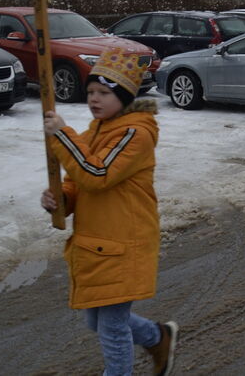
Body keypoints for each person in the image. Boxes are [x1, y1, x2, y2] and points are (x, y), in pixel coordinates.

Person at [40, 48, 177, 376]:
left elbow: (96, 174)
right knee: (96, 320)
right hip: (97, 243)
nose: (94, 99)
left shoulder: (136, 134)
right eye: (90, 92)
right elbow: (79, 181)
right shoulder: (95, 131)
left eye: (104, 92)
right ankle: (158, 337)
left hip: (125, 243)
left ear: (124, 96)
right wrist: (61, 199)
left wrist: (61, 135)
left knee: (112, 329)